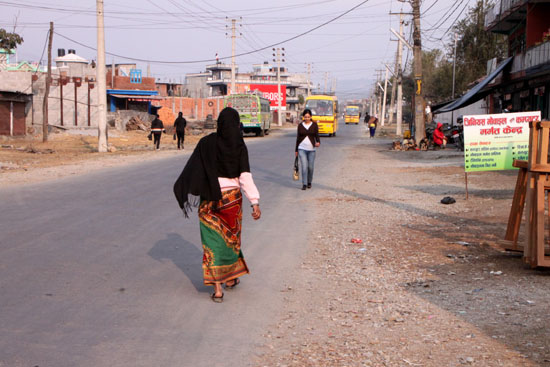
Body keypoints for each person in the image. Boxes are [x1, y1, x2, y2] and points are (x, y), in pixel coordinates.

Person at [173, 107, 261, 303]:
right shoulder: (239, 144)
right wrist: (254, 202)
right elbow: (245, 176)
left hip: (210, 199)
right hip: (233, 201)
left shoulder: (207, 143)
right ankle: (230, 279)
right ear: (237, 124)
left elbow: (194, 168)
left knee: (211, 244)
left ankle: (218, 289)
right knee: (231, 242)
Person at [295, 109, 320, 190]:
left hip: (312, 150)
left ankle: (309, 182)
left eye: (308, 117)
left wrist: (318, 142)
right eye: (305, 117)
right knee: (304, 166)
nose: (307, 118)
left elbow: (317, 136)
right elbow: (298, 138)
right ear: (303, 117)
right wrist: (296, 150)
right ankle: (304, 184)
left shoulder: (314, 125)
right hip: (302, 149)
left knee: (310, 167)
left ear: (311, 117)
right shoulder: (300, 125)